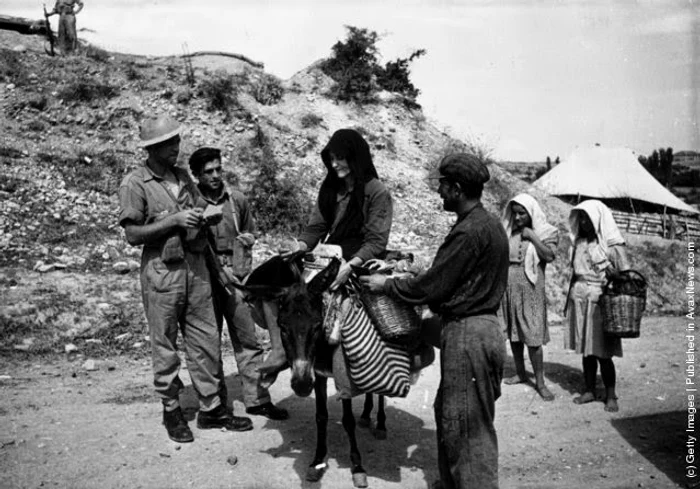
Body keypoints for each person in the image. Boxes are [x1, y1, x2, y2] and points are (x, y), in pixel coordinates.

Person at [361, 153, 509, 489]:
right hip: (484, 330)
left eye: (443, 184)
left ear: (456, 189)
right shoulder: (489, 224)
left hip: (467, 332)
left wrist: (387, 284)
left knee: (466, 426)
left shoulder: (468, 232)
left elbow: (432, 286)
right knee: (458, 414)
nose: (438, 191)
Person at [118, 115, 252, 443]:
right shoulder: (136, 183)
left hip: (197, 268)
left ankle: (211, 408)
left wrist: (204, 220)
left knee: (205, 339)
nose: (176, 149)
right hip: (162, 273)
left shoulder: (182, 177)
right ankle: (171, 409)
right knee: (164, 343)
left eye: (177, 142)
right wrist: (173, 220)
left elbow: (198, 213)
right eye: (169, 144)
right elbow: (133, 234)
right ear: (152, 148)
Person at [269, 128, 393, 376]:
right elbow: (316, 227)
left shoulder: (376, 192)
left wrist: (350, 267)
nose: (335, 164)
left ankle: (339, 364)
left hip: (358, 257)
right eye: (331, 159)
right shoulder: (330, 188)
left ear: (355, 157)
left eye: (341, 158)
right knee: (270, 274)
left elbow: (376, 241)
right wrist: (300, 246)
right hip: (329, 254)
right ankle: (282, 347)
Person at [188, 147, 289, 421]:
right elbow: (192, 243)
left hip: (238, 278)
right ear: (196, 175)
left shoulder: (237, 200)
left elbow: (249, 231)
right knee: (207, 344)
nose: (216, 175)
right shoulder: (191, 203)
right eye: (208, 171)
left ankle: (257, 399)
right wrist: (219, 270)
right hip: (204, 279)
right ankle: (215, 406)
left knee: (248, 340)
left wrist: (248, 243)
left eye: (219, 169)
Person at [565, 199, 630, 413]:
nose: (583, 222)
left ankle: (611, 394)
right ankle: (590, 389)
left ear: (597, 219)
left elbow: (625, 277)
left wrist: (615, 275)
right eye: (580, 217)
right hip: (581, 298)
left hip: (600, 302)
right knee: (587, 351)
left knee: (603, 352)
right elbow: (575, 273)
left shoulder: (610, 247)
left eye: (587, 217)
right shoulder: (578, 243)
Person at [500, 194, 558, 401]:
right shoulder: (508, 232)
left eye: (521, 213)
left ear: (531, 212)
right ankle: (521, 373)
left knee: (532, 336)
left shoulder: (547, 232)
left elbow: (549, 256)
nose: (517, 218)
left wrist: (532, 236)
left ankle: (540, 383)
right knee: (515, 333)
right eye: (514, 213)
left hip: (531, 288)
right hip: (509, 286)